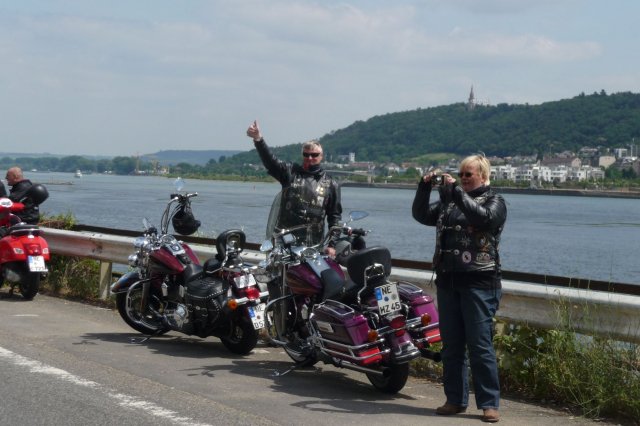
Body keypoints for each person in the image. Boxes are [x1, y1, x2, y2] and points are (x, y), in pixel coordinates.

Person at [412, 155, 506, 423]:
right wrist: (423, 187)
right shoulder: (449, 202)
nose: (463, 178)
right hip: (448, 280)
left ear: (483, 176)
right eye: (461, 174)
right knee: (452, 345)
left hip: (480, 282)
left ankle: (489, 404)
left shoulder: (494, 201)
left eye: (468, 174)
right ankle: (455, 399)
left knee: (480, 345)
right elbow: (421, 215)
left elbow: (483, 218)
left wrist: (455, 192)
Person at [246, 120, 342, 255]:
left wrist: (332, 245)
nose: (310, 158)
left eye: (314, 155)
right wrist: (258, 139)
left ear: (321, 156)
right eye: (306, 154)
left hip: (313, 244)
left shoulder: (331, 184)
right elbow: (271, 162)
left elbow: (335, 217)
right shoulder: (290, 172)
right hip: (283, 241)